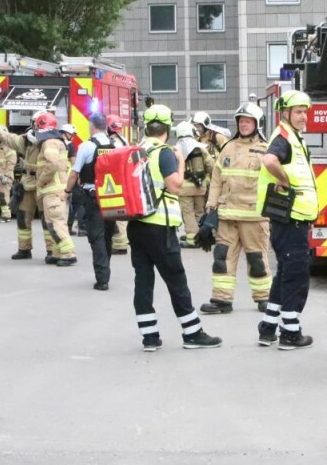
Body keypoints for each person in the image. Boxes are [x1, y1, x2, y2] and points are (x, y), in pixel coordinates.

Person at [129, 104, 222, 351]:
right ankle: (192, 333)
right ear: (167, 128)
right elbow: (175, 185)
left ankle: (149, 337)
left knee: (143, 281)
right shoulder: (164, 152)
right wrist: (180, 162)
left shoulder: (137, 150)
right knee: (176, 280)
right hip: (160, 228)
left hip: (136, 225)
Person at [255, 90, 319, 350]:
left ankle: (268, 327)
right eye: (298, 112)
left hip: (292, 218)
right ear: (286, 113)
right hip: (290, 219)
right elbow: (269, 160)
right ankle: (290, 333)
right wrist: (283, 179)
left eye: (305, 111)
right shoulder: (283, 137)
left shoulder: (292, 137)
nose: (304, 116)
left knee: (284, 273)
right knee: (295, 275)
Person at [199, 103, 272, 314]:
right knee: (222, 258)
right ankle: (221, 300)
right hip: (227, 215)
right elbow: (216, 180)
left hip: (254, 217)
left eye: (248, 121)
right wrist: (211, 207)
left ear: (257, 124)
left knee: (257, 259)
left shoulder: (266, 149)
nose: (244, 124)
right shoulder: (228, 148)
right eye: (241, 120)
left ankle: (264, 298)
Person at [0, 112, 54, 261]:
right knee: (22, 217)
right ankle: (24, 249)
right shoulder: (26, 140)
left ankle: (51, 250)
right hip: (27, 184)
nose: (33, 125)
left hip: (42, 184)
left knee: (47, 219)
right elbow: (8, 138)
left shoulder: (50, 141)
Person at [66, 113, 116, 291]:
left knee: (96, 237)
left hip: (93, 197)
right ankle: (105, 270)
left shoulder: (86, 146)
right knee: (108, 235)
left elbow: (74, 173)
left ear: (92, 126)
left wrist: (67, 191)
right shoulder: (114, 145)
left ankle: (102, 279)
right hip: (112, 197)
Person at [34, 113, 77, 266]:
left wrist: (41, 181)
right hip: (57, 189)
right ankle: (58, 252)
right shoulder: (57, 141)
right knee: (54, 222)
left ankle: (68, 254)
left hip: (52, 189)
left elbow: (51, 164)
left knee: (56, 222)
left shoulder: (49, 143)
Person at [173, 121, 213, 248]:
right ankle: (202, 236)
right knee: (199, 211)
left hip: (184, 188)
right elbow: (211, 166)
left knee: (188, 213)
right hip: (200, 187)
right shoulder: (201, 148)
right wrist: (206, 180)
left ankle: (192, 238)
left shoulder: (175, 149)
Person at [106, 114, 130, 255]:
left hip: (116, 180)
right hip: (124, 179)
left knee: (117, 211)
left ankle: (120, 243)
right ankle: (121, 241)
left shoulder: (113, 142)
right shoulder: (123, 140)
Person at [63, 123, 86, 237]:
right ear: (65, 133)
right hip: (70, 178)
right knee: (79, 203)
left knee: (71, 204)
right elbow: (74, 163)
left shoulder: (55, 144)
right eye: (71, 134)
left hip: (59, 179)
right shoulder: (70, 146)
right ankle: (82, 228)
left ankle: (68, 227)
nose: (72, 137)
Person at [0, 141, 17, 222]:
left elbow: (11, 164)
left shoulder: (9, 149)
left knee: (3, 196)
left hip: (5, 177)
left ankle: (6, 216)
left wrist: (6, 176)